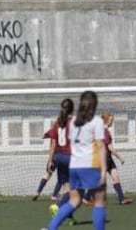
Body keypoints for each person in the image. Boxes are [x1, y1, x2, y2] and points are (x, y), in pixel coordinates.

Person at [43, 91, 107, 230]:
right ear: (94, 105)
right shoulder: (96, 121)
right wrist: (103, 170)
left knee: (74, 200)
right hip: (90, 165)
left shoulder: (73, 123)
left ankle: (50, 227)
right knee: (99, 201)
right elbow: (101, 146)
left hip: (74, 167)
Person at [83, 111, 133, 205]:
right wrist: (120, 157)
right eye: (111, 120)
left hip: (108, 159)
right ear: (106, 121)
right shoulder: (104, 132)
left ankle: (121, 198)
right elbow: (110, 147)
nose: (112, 122)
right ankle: (86, 198)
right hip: (103, 159)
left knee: (115, 177)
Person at [46, 99, 77, 225]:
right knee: (75, 190)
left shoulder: (57, 122)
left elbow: (53, 143)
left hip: (59, 157)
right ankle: (58, 207)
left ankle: (68, 215)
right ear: (72, 109)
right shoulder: (74, 121)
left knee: (67, 189)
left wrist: (50, 160)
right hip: (70, 157)